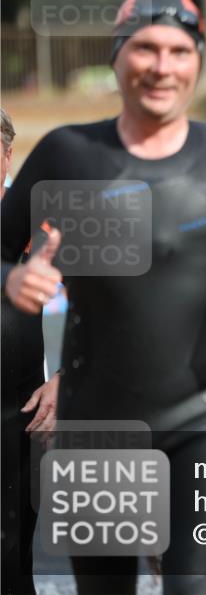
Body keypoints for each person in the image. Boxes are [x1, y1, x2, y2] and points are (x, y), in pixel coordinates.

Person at [0, 0, 206, 595]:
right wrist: (15, 277)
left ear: (197, 60)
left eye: (179, 50)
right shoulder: (70, 154)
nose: (162, 65)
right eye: (146, 48)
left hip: (202, 419)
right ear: (119, 56)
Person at [1, 107, 61, 595]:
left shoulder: (40, 225)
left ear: (7, 157)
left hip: (16, 418)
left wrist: (66, 379)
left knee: (12, 564)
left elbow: (113, 307)